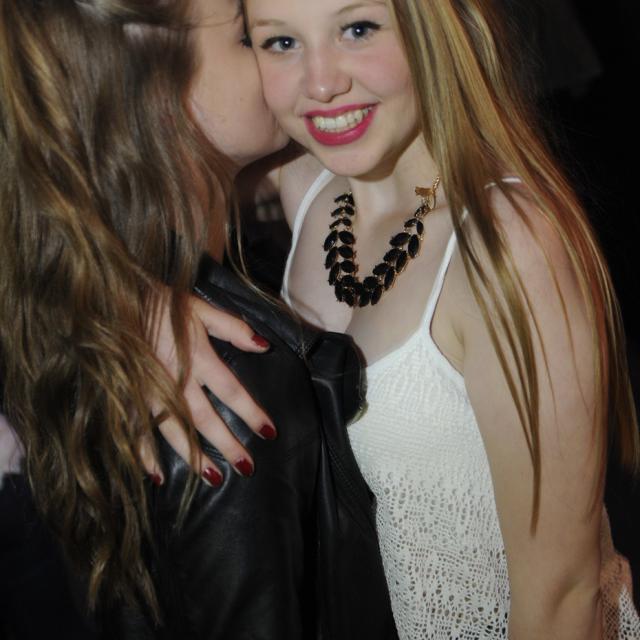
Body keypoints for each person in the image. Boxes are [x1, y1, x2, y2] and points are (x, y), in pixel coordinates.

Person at [236, 0, 640, 638]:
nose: (321, 83)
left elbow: (563, 597)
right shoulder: (308, 186)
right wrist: (154, 308)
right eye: (281, 43)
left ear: (433, 28)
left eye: (358, 29)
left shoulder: (505, 245)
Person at [0, 0, 397, 638]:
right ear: (161, 99)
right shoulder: (219, 375)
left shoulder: (80, 326)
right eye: (247, 38)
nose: (291, 66)